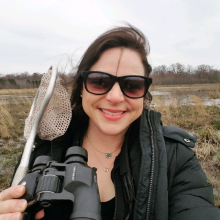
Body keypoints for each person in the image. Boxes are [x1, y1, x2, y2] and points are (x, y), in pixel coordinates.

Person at [0, 24, 220, 220]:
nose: (115, 97)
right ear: (82, 88)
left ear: (144, 94)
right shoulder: (44, 148)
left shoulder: (175, 156)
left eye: (132, 84)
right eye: (99, 81)